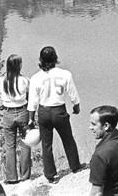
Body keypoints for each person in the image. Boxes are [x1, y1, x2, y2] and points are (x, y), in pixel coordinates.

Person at [27, 46, 83, 183]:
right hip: (59, 110)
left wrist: (31, 118)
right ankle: (75, 166)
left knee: (46, 144)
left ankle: (50, 174)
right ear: (55, 58)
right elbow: (73, 94)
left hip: (44, 112)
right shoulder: (65, 74)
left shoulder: (35, 78)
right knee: (68, 139)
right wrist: (76, 107)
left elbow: (32, 101)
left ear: (40, 60)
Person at [0, 54, 31, 184]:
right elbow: (29, 95)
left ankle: (11, 177)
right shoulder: (25, 80)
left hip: (8, 112)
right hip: (22, 111)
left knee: (10, 146)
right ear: (19, 66)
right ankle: (25, 176)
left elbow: (1, 95)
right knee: (25, 144)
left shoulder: (1, 81)